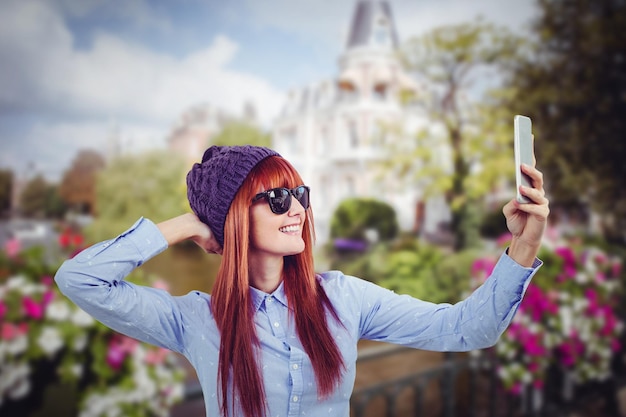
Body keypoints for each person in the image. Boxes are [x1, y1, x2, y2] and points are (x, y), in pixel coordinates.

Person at [55, 144, 549, 417]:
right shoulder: (196, 319)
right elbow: (80, 279)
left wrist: (523, 246)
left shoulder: (343, 298)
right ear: (232, 220)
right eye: (275, 199)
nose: (296, 209)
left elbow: (469, 328)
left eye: (299, 194)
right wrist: (185, 225)